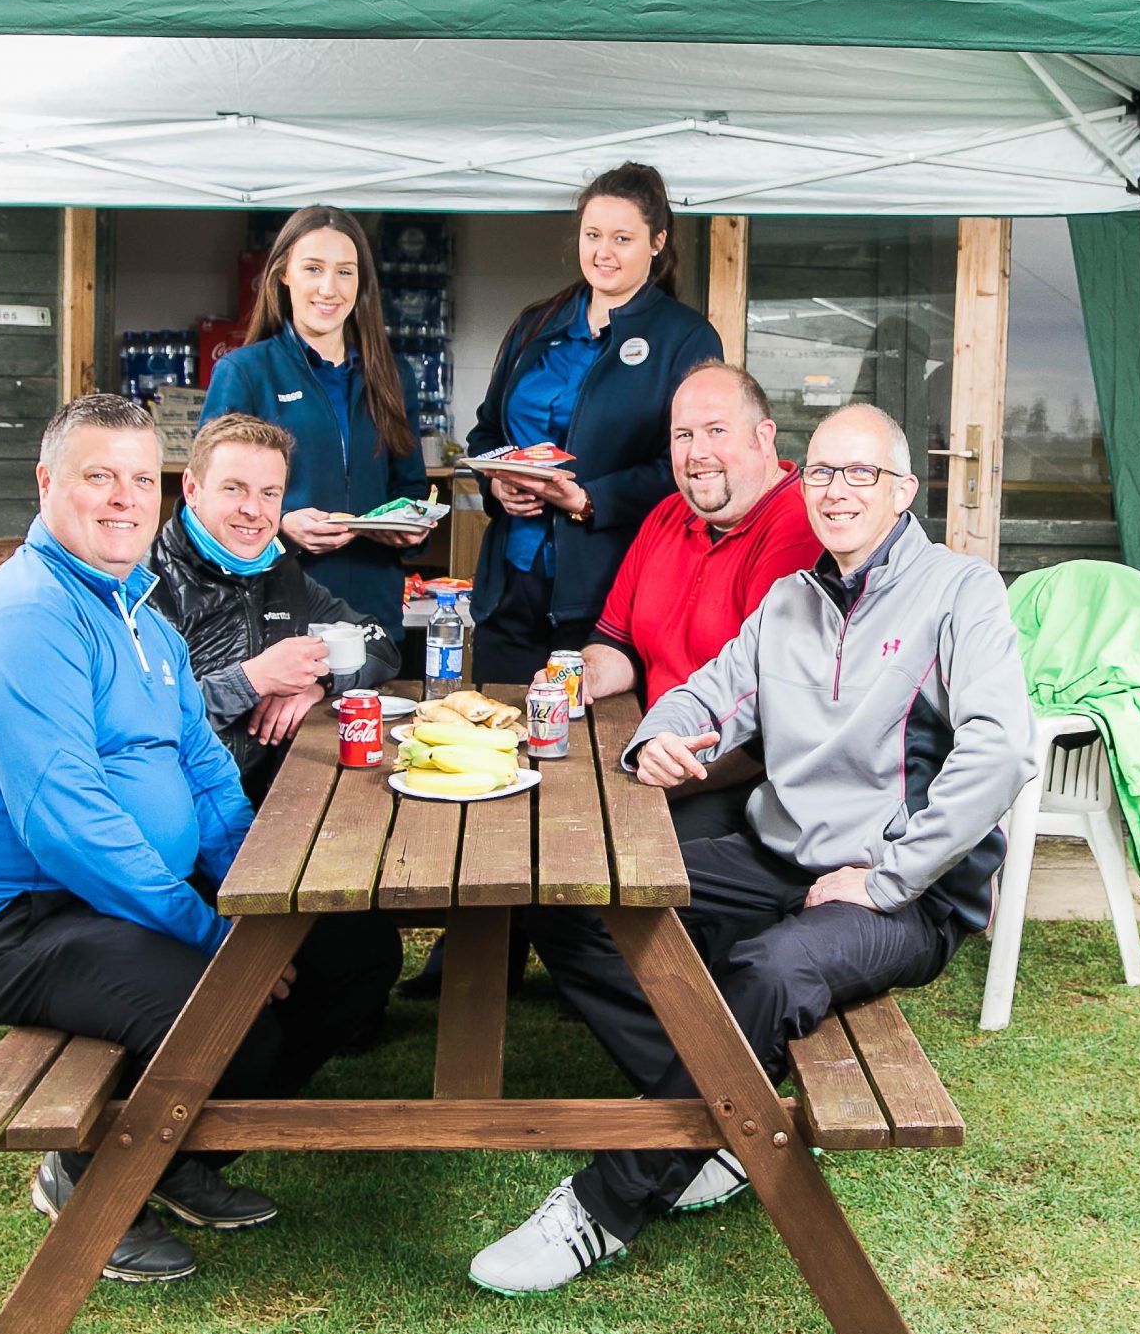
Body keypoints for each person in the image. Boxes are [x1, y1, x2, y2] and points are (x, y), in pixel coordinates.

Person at [467, 404, 1036, 1295]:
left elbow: (999, 753)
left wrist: (886, 878)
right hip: (779, 857)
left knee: (769, 968)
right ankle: (728, 1113)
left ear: (903, 492)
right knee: (571, 899)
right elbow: (705, 695)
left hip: (901, 891)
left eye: (861, 473)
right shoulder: (791, 599)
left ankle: (603, 1207)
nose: (837, 490)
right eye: (823, 472)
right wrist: (656, 736)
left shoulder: (961, 591)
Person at [0, 394, 401, 1287]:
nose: (123, 498)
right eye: (99, 476)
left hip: (126, 899)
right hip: (22, 922)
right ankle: (90, 1178)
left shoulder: (138, 611)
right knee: (232, 1007)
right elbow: (70, 827)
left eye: (139, 479)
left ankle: (177, 1156)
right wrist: (211, 932)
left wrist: (264, 897)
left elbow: (208, 776)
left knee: (352, 954)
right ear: (46, 482)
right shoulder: (24, 619)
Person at [467, 161, 723, 687]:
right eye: (593, 235)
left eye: (622, 238)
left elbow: (690, 467)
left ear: (657, 242)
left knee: (591, 737)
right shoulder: (536, 323)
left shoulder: (686, 338)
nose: (603, 252)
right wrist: (496, 483)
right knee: (496, 725)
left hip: (609, 593)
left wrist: (590, 500)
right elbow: (486, 432)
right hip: (510, 585)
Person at [578, 359, 819, 842]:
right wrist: (582, 675)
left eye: (716, 431)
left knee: (599, 848)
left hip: (740, 781)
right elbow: (619, 644)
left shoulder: (799, 528)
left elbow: (774, 729)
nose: (697, 453)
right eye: (683, 435)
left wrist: (651, 788)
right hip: (654, 751)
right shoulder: (668, 514)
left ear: (763, 437)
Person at [148, 412, 405, 805]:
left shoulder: (279, 571)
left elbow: (381, 644)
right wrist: (251, 680)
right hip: (184, 814)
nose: (254, 510)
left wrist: (316, 683)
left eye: (269, 493)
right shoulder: (143, 583)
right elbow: (140, 727)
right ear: (192, 488)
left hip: (276, 803)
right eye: (234, 489)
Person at [201, 206, 433, 639]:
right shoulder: (245, 373)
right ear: (283, 274)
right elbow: (210, 500)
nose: (329, 288)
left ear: (361, 282)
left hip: (373, 618)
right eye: (313, 268)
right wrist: (282, 525)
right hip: (275, 615)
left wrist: (410, 525)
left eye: (345, 272)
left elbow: (410, 486)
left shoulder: (393, 376)